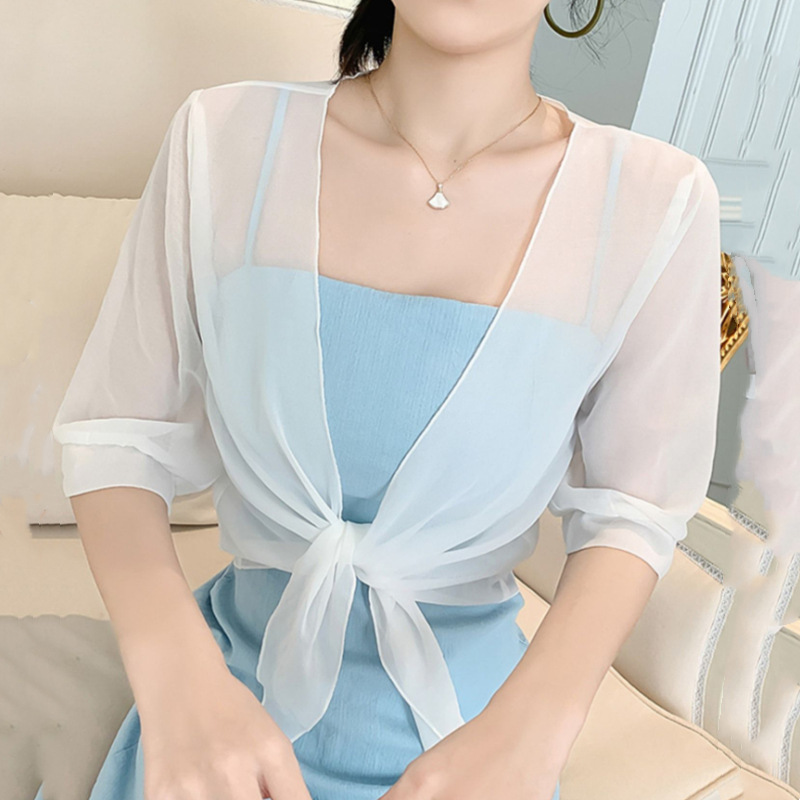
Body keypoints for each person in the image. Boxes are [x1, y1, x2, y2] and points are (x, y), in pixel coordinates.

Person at [43, 0, 722, 798]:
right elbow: (117, 440)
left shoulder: (656, 201)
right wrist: (176, 683)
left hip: (472, 751)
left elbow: (633, 511)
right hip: (216, 730)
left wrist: (531, 734)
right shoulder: (221, 137)